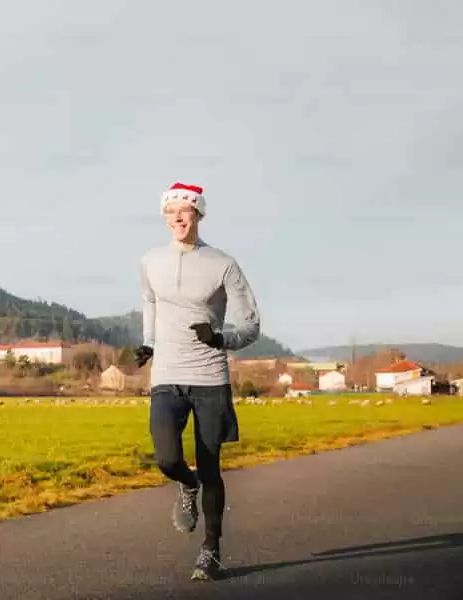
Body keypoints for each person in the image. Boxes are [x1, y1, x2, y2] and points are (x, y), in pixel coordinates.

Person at [135, 182, 261, 581]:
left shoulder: (223, 263)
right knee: (167, 458)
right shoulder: (150, 261)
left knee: (212, 468)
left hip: (209, 376)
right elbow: (150, 303)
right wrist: (149, 344)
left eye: (185, 210)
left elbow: (251, 323)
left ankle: (212, 551)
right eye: (171, 210)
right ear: (164, 216)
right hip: (167, 375)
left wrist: (223, 339)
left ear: (198, 215)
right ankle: (184, 485)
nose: (178, 217)